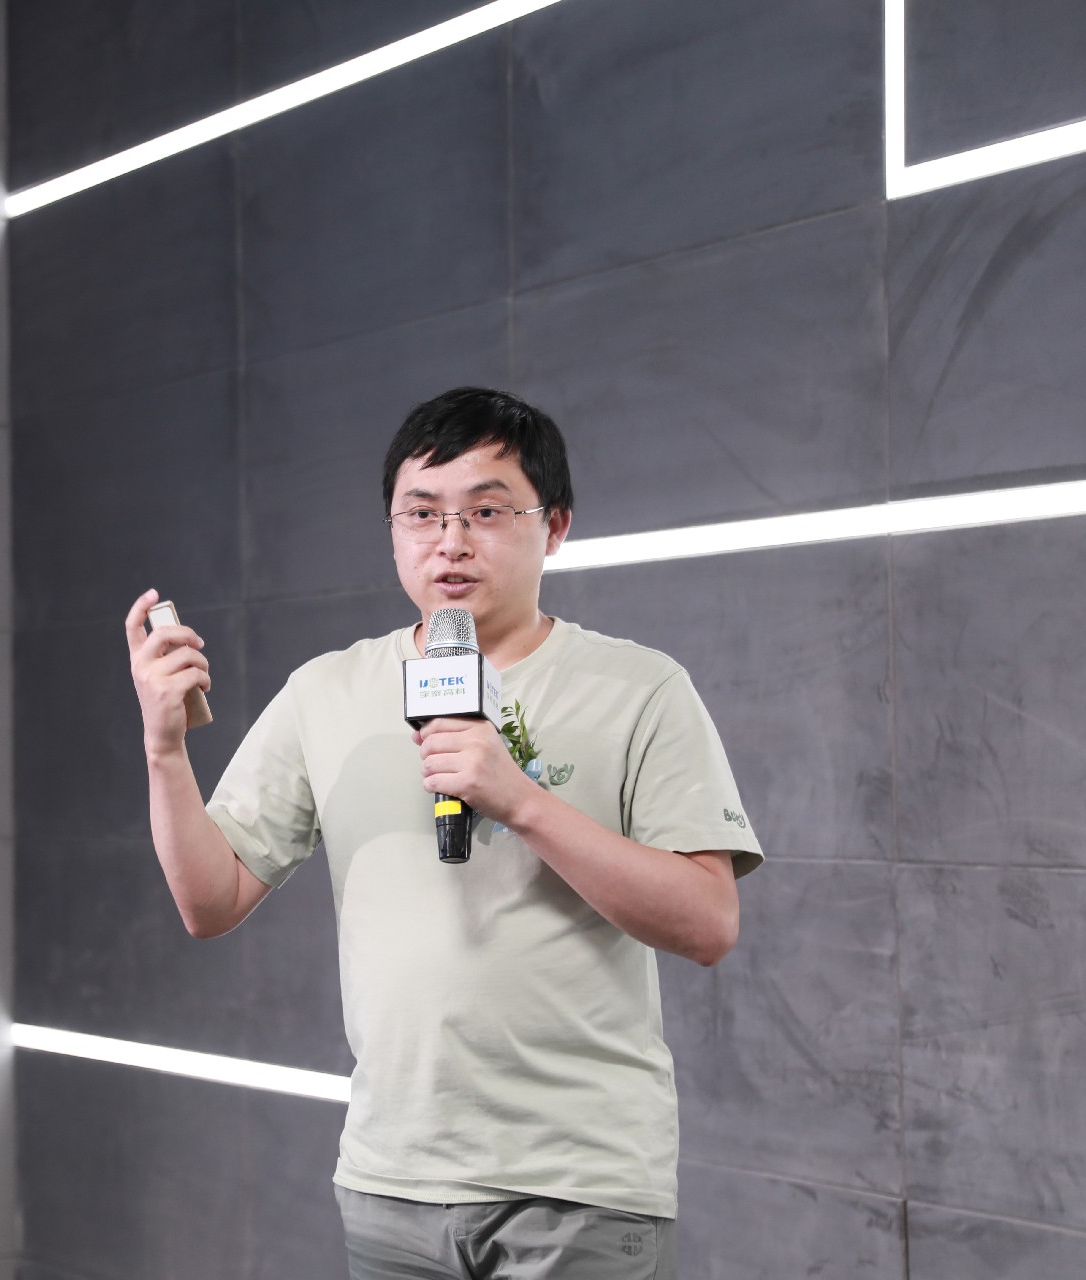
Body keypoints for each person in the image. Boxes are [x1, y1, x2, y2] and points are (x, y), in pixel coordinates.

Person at [122, 387, 764, 1279]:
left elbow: (708, 922)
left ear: (556, 526)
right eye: (421, 514)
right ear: (392, 532)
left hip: (580, 1183)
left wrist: (521, 801)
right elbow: (211, 900)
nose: (450, 542)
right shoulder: (326, 691)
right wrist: (163, 750)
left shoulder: (641, 688)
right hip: (391, 1181)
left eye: (487, 512)